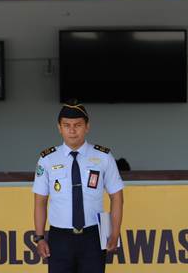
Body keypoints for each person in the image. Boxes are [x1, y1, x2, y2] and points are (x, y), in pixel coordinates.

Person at [32, 101, 124, 273]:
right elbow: (40, 201)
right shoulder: (48, 159)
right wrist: (39, 237)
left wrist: (115, 231)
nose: (72, 130)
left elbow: (117, 196)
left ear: (87, 127)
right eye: (66, 125)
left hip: (93, 236)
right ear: (59, 128)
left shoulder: (103, 156)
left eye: (78, 125)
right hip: (60, 237)